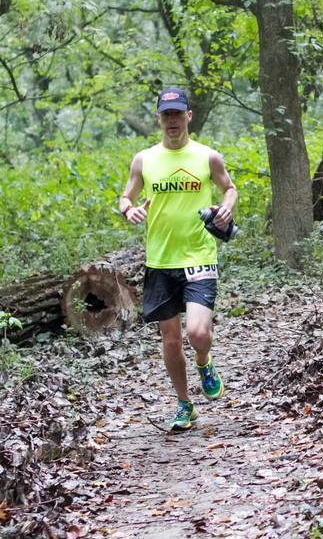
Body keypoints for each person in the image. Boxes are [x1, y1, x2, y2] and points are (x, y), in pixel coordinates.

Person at [119, 87, 238, 431]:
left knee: (198, 333)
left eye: (177, 114)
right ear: (159, 118)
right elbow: (126, 195)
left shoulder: (207, 156)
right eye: (166, 114)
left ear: (188, 116)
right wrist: (128, 209)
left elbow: (229, 188)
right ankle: (185, 405)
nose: (172, 121)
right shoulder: (144, 159)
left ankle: (204, 361)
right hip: (159, 260)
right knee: (170, 340)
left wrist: (226, 208)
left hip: (199, 254)